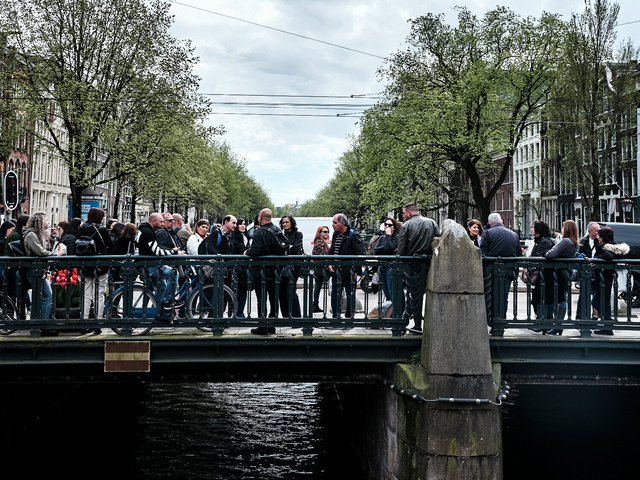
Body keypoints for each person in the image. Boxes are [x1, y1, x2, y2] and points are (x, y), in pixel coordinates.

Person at [245, 208, 288, 334]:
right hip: (275, 270)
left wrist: (247, 252)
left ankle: (263, 326)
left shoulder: (260, 232)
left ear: (260, 217)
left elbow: (255, 251)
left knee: (262, 299)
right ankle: (272, 325)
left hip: (261, 271)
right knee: (274, 299)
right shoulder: (277, 230)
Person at [397, 203, 439, 333]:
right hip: (429, 264)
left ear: (409, 212)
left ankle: (413, 324)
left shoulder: (406, 226)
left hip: (412, 264)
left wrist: (400, 262)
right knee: (423, 294)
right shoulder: (432, 222)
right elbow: (438, 241)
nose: (404, 215)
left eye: (404, 213)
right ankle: (419, 323)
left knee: (413, 294)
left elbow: (401, 249)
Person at [136, 212, 184, 322]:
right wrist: (174, 253)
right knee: (172, 273)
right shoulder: (148, 232)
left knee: (162, 286)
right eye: (160, 221)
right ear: (153, 221)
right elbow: (157, 251)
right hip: (148, 265)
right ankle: (167, 303)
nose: (162, 224)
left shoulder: (144, 230)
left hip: (145, 263)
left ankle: (163, 311)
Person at [23, 213, 64, 330]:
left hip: (39, 270)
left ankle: (37, 322)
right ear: (40, 222)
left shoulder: (37, 234)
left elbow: (45, 249)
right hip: (35, 270)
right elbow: (40, 252)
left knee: (42, 297)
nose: (48, 223)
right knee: (48, 296)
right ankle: (43, 324)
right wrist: (56, 254)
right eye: (46, 220)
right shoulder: (31, 235)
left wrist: (52, 238)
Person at [480, 212, 520, 332]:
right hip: (507, 272)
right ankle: (501, 322)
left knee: (491, 297)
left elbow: (483, 253)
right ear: (501, 221)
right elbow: (518, 253)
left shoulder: (488, 233)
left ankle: (493, 322)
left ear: (491, 223)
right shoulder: (513, 234)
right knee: (504, 297)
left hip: (491, 272)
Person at [78, 207, 114, 332]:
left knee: (86, 294)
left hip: (85, 265)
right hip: (100, 266)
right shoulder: (102, 230)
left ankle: (84, 322)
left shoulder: (81, 228)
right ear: (100, 218)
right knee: (98, 295)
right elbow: (111, 246)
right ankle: (97, 324)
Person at [543, 219, 580, 336]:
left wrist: (550, 250)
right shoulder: (575, 243)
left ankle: (558, 325)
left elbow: (550, 254)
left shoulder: (565, 241)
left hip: (559, 274)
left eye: (563, 227)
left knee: (560, 298)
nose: (562, 229)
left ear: (567, 229)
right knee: (563, 297)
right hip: (566, 273)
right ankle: (559, 325)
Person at [591, 227, 629, 335]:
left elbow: (608, 256)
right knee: (605, 302)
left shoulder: (605, 247)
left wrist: (595, 259)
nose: (597, 237)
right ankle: (607, 326)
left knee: (596, 301)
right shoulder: (613, 246)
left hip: (602, 278)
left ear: (602, 237)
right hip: (607, 278)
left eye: (599, 236)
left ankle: (607, 323)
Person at [328, 213, 366, 320]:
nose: (332, 225)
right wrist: (330, 262)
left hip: (349, 270)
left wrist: (356, 271)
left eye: (335, 223)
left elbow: (360, 254)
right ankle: (336, 316)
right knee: (335, 294)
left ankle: (349, 317)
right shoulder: (335, 234)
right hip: (336, 270)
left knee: (350, 295)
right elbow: (332, 251)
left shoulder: (353, 235)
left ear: (342, 223)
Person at [527, 221, 555, 332]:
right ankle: (541, 322)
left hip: (544, 276)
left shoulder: (544, 242)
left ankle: (544, 323)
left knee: (542, 298)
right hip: (540, 275)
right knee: (537, 298)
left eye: (533, 227)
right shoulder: (540, 241)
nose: (531, 229)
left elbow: (540, 256)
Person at [575, 222, 600, 320]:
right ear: (589, 231)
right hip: (585, 272)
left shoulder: (600, 241)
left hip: (597, 272)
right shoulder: (583, 241)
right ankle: (580, 317)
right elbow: (577, 253)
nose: (598, 232)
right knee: (583, 295)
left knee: (597, 295)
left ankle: (595, 316)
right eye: (596, 230)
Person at [279, 215, 303, 318]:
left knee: (291, 290)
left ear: (291, 223)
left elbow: (296, 249)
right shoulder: (280, 235)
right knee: (281, 292)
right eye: (283, 223)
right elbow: (279, 249)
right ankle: (285, 317)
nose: (285, 224)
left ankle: (296, 317)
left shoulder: (298, 234)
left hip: (293, 266)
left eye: (287, 222)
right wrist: (288, 246)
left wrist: (286, 246)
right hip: (281, 266)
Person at [374, 217, 401, 302]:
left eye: (390, 225)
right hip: (382, 267)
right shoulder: (382, 238)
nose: (387, 227)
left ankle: (394, 312)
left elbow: (388, 247)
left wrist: (388, 235)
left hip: (391, 267)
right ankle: (388, 311)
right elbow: (376, 250)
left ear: (394, 227)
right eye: (386, 224)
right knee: (385, 292)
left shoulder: (397, 238)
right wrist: (385, 248)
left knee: (391, 291)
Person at [230, 218, 251, 318]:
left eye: (244, 224)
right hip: (238, 267)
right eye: (240, 224)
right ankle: (236, 313)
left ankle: (240, 312)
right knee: (237, 291)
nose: (243, 226)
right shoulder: (234, 237)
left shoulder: (245, 236)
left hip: (244, 268)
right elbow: (237, 249)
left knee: (243, 291)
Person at [311, 225, 330, 313]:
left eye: (327, 231)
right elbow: (325, 255)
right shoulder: (320, 243)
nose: (327, 233)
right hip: (320, 267)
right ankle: (315, 305)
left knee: (318, 286)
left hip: (318, 266)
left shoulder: (320, 242)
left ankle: (315, 305)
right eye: (325, 231)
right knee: (318, 286)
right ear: (320, 233)